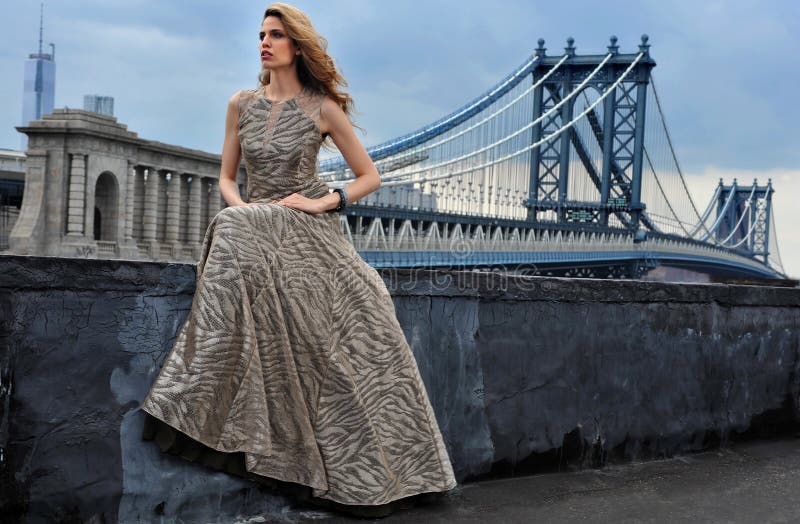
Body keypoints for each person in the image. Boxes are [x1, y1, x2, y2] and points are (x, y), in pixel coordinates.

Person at [139, 2, 458, 518]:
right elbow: (226, 178)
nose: (264, 42)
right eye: (261, 34)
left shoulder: (322, 107)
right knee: (232, 223)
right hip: (259, 221)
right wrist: (248, 212)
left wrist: (321, 201)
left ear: (297, 47)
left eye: (276, 36)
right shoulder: (240, 104)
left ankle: (390, 474)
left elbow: (368, 177)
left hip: (312, 227)